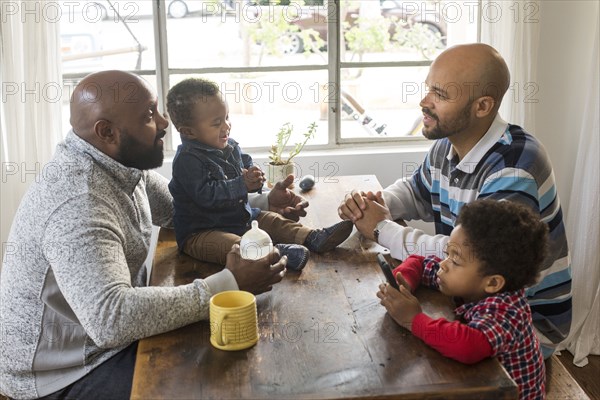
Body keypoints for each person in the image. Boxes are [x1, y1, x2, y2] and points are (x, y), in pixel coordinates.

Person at [0, 70, 306, 400]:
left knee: (236, 352)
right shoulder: (80, 201)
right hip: (62, 376)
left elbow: (184, 209)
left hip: (102, 344)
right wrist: (230, 283)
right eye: (149, 115)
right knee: (222, 383)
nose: (164, 123)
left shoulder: (118, 164)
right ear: (107, 132)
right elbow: (112, 318)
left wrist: (263, 203)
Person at [338, 43, 571, 358]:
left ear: (482, 106)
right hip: (470, 299)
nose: (424, 102)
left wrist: (381, 228)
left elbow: (471, 256)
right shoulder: (449, 143)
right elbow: (418, 191)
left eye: (440, 95)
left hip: (522, 328)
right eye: (427, 89)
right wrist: (376, 203)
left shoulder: (514, 167)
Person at [165, 77, 353, 270]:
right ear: (188, 132)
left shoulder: (228, 145)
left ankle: (313, 237)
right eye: (216, 123)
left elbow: (245, 164)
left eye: (227, 117)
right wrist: (242, 184)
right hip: (202, 233)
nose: (226, 126)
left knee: (273, 221)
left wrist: (254, 176)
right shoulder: (187, 161)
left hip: (239, 218)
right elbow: (207, 196)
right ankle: (278, 254)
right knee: (237, 247)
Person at [378, 199, 547, 400]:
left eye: (455, 259)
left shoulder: (506, 311)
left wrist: (413, 320)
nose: (445, 264)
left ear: (493, 283)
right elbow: (420, 263)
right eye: (447, 253)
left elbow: (468, 346)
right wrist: (404, 280)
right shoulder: (469, 281)